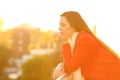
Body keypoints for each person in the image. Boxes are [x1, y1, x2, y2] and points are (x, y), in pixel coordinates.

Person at [53, 11, 120, 80]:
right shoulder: (80, 38)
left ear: (74, 26)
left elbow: (70, 67)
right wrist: (61, 64)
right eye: (59, 25)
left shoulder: (84, 40)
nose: (59, 28)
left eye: (63, 25)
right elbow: (73, 61)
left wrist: (66, 43)